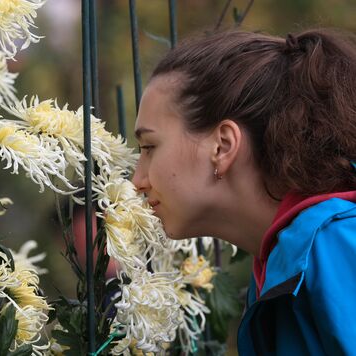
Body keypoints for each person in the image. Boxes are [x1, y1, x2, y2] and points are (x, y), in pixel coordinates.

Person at [131, 29, 356, 355]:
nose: (137, 179)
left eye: (149, 146)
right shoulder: (281, 262)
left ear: (222, 146)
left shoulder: (334, 242)